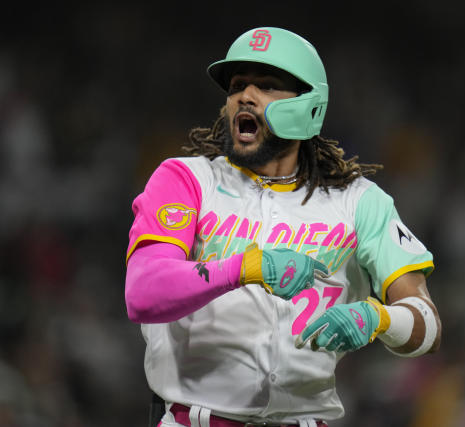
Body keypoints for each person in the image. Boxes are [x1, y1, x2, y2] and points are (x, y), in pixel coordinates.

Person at [125, 26, 441, 427]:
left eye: (268, 86)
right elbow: (143, 291)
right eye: (238, 85)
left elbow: (427, 326)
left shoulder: (360, 202)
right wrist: (244, 268)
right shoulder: (188, 180)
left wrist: (378, 319)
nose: (246, 95)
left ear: (311, 105)